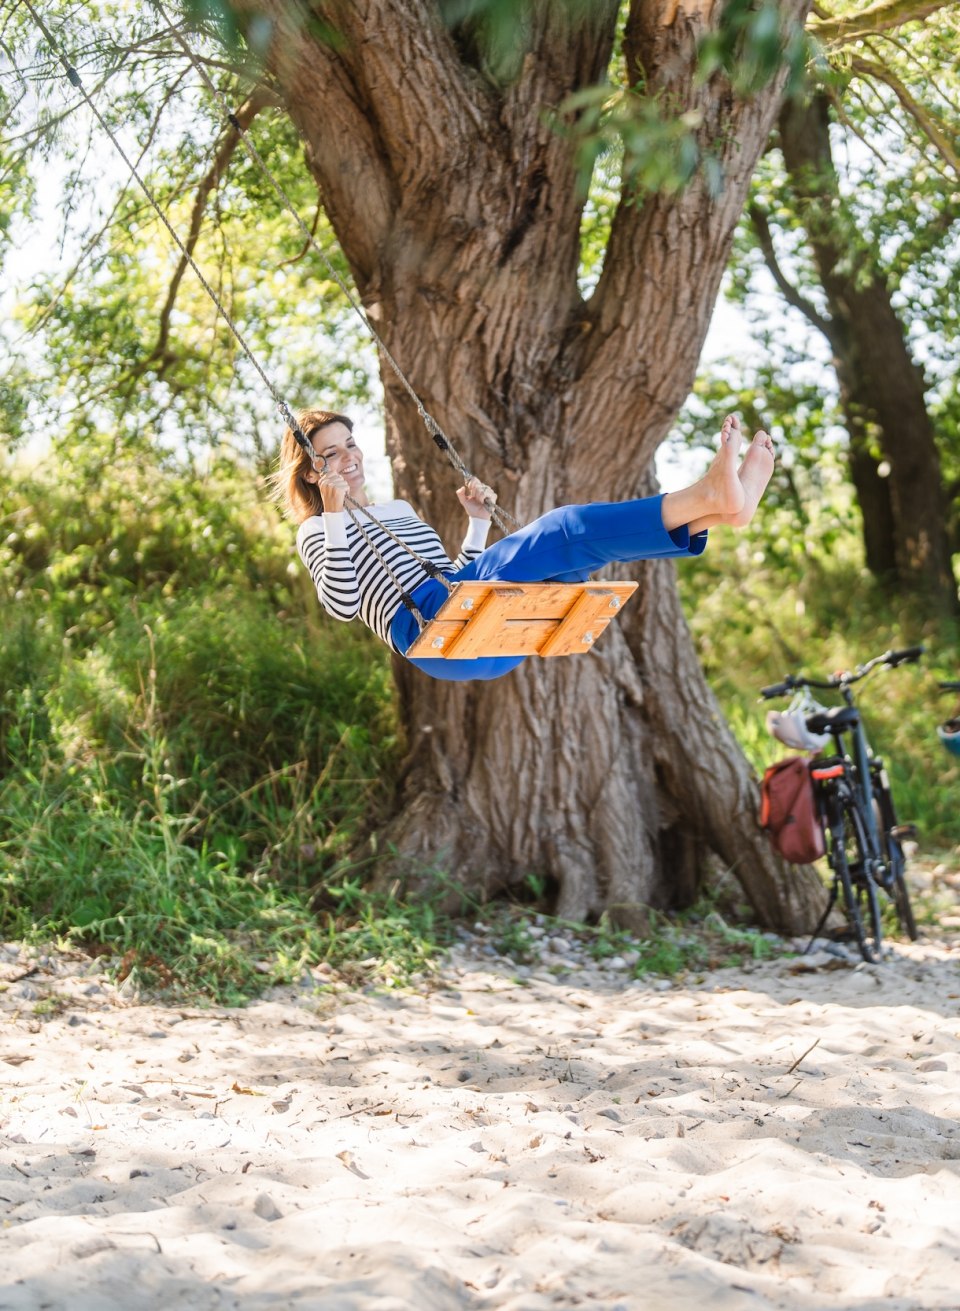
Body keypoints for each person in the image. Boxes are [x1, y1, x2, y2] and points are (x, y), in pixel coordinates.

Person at [279, 410, 775, 682]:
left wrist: (476, 525)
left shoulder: (399, 511)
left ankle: (721, 511)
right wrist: (335, 514)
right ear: (310, 471)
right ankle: (708, 495)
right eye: (330, 452)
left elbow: (458, 580)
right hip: (428, 636)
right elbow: (340, 604)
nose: (348, 457)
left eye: (350, 443)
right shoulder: (318, 529)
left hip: (469, 628)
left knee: (580, 557)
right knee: (566, 528)